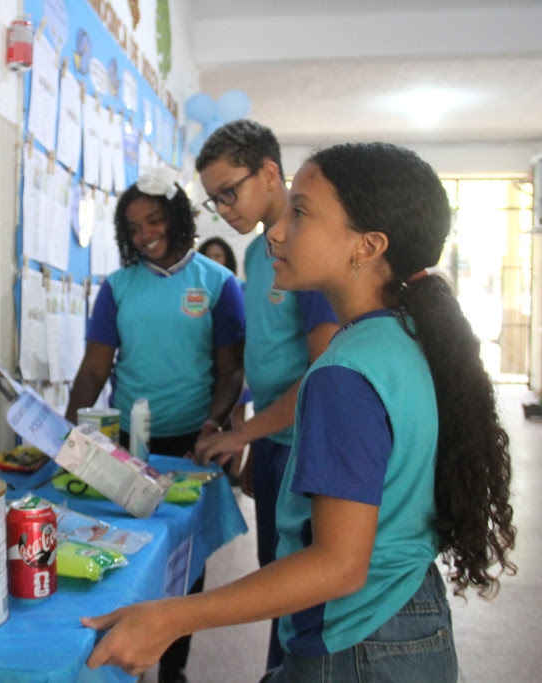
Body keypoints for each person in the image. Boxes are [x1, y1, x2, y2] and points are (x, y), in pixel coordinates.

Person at [81, 142, 517, 682]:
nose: (277, 231)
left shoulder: (344, 374)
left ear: (368, 245)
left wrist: (170, 616)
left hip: (358, 638)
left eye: (302, 213)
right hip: (403, 613)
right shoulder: (398, 338)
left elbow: (338, 563)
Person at [65, 167, 245, 683]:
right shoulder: (118, 288)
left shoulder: (218, 283)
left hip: (193, 442)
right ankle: (127, 647)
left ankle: (175, 667)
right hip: (129, 442)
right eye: (134, 226)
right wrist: (70, 432)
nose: (145, 234)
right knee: (127, 543)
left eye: (154, 221)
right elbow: (95, 369)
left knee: (186, 559)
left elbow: (231, 369)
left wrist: (215, 424)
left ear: (178, 218)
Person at [195, 119, 339, 669]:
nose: (225, 208)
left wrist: (245, 433)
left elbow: (325, 372)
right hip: (276, 439)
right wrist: (253, 438)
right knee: (274, 570)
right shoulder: (257, 253)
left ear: (271, 172)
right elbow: (271, 360)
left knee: (301, 587)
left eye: (230, 191)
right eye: (215, 200)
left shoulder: (308, 251)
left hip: (310, 446)